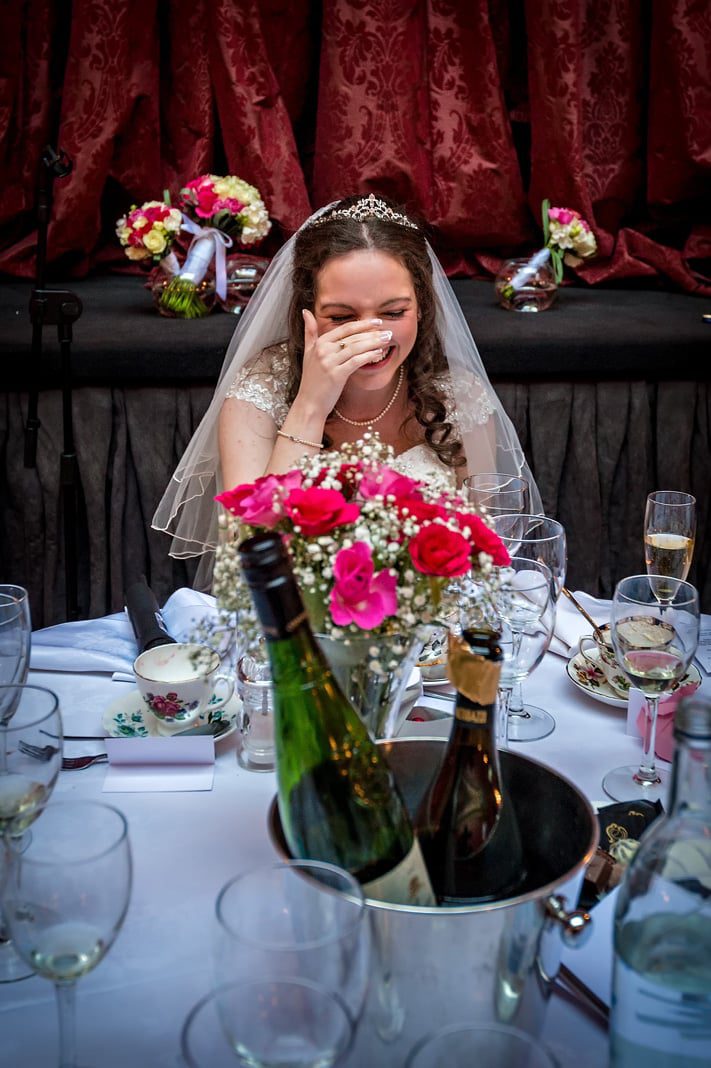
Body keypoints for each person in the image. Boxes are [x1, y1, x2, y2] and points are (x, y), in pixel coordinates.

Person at [152, 193, 541, 583]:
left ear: (421, 306)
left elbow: (478, 560)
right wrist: (309, 406)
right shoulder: (259, 390)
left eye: (393, 312)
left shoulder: (459, 399)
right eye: (341, 316)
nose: (372, 336)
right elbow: (248, 560)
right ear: (307, 310)